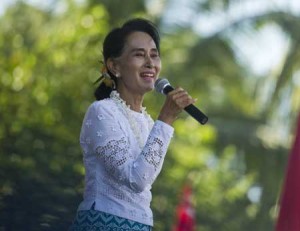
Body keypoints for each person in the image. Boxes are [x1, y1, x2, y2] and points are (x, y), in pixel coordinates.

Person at [70, 18, 196, 231]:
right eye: (139, 54)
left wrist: (162, 122)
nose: (150, 63)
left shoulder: (147, 122)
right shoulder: (102, 111)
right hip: (101, 223)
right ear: (114, 66)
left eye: (154, 55)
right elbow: (136, 180)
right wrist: (165, 119)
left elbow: (145, 185)